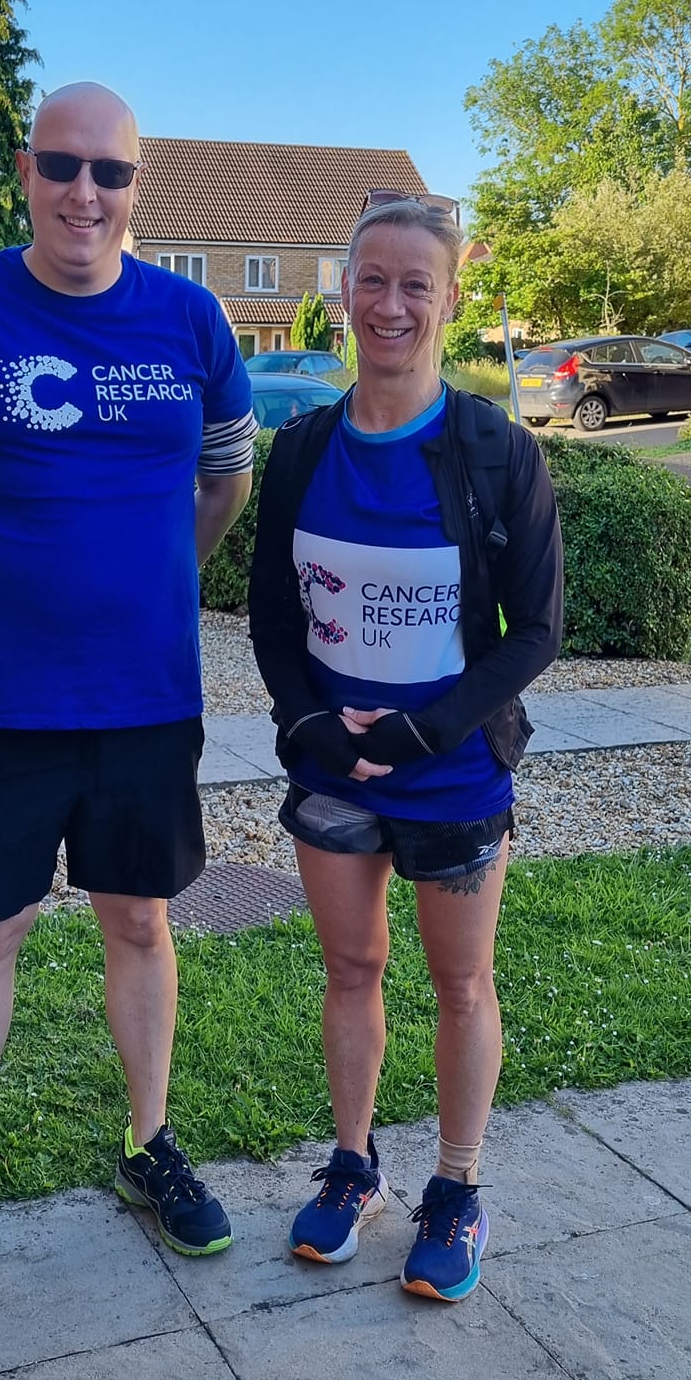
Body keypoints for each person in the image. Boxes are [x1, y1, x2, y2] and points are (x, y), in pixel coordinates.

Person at [0, 82, 257, 1298]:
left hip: (145, 693)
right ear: (28, 171)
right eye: (64, 165)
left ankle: (150, 1144)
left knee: (138, 918)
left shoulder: (192, 318)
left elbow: (226, 479)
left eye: (112, 172)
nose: (87, 191)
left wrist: (163, 579)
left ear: (140, 186)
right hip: (5, 701)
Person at [248, 197, 563, 1301]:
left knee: (461, 980)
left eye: (414, 284)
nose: (390, 303)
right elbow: (276, 623)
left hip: (456, 771)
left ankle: (459, 1188)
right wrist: (314, 724)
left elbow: (537, 628)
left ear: (450, 299)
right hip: (334, 770)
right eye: (371, 279)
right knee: (351, 967)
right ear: (345, 293)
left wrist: (431, 726)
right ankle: (352, 1166)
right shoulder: (297, 455)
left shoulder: (496, 452)